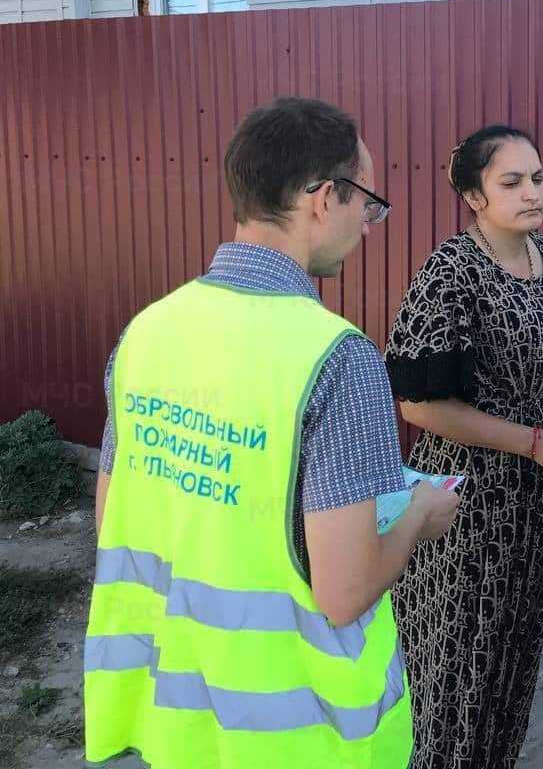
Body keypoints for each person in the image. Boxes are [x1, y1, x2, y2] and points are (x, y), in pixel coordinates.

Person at [85, 97, 461, 768]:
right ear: (322, 198)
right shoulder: (336, 357)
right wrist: (421, 514)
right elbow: (343, 595)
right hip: (296, 732)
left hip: (176, 715)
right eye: (367, 203)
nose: (369, 226)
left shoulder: (149, 329)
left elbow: (117, 519)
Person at [384, 124, 543, 769]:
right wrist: (531, 442)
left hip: (537, 498)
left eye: (538, 178)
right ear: (473, 196)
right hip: (466, 504)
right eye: (512, 182)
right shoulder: (450, 273)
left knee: (514, 656)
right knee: (453, 665)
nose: (533, 192)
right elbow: (415, 402)